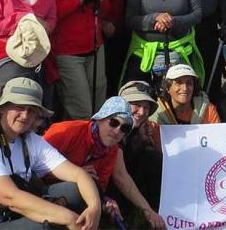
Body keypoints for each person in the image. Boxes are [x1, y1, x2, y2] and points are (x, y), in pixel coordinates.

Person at [0, 77, 102, 230]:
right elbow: (7, 197)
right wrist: (68, 218)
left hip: (10, 215)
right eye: (19, 106)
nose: (24, 115)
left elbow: (78, 174)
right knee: (47, 225)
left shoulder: (30, 139)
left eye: (31, 110)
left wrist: (95, 207)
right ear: (2, 107)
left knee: (74, 191)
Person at [43, 97, 164, 229]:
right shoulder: (66, 131)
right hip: (40, 188)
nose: (117, 131)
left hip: (76, 198)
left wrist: (105, 201)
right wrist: (74, 173)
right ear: (99, 119)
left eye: (124, 128)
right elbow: (34, 164)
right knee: (76, 189)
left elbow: (101, 186)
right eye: (113, 122)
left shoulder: (112, 150)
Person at [45, 0, 110, 119]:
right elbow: (54, 12)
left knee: (99, 104)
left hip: (95, 47)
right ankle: (78, 147)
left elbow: (104, 9)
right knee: (80, 109)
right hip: (68, 51)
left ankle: (97, 147)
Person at [117, 80, 163, 210]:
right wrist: (147, 211)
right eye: (136, 105)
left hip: (129, 182)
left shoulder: (141, 130)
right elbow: (119, 175)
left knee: (153, 157)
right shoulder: (113, 128)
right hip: (108, 185)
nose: (142, 112)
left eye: (146, 107)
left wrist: (146, 141)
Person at [149, 64, 220, 134]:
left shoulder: (207, 109)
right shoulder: (157, 115)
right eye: (178, 83)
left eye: (189, 83)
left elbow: (217, 136)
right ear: (168, 88)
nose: (185, 88)